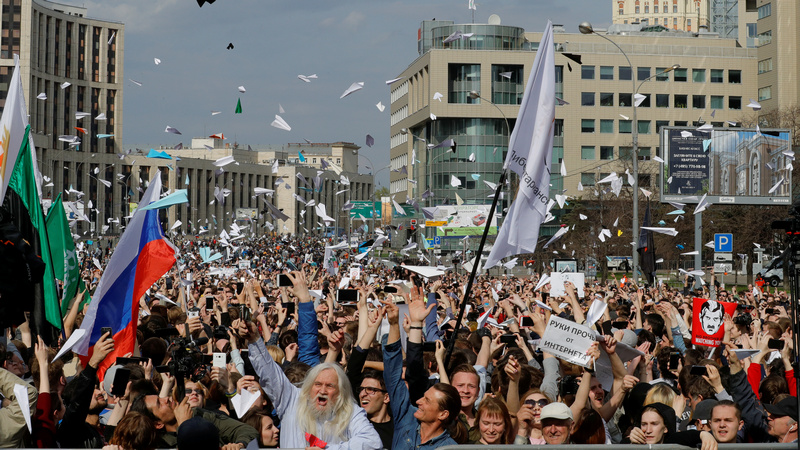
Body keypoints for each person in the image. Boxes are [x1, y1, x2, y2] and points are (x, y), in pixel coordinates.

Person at [241, 270, 381, 449]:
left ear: (340, 391)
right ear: (308, 385)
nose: (322, 390)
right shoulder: (292, 400)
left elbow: (372, 443)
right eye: (317, 384)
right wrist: (254, 340)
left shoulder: (348, 412)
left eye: (330, 386)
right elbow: (269, 372)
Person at [382, 294, 463, 448]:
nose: (418, 401)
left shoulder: (448, 447)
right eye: (424, 397)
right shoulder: (406, 417)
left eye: (427, 400)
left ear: (443, 414)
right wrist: (395, 324)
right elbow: (392, 374)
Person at [129, 393, 258, 448]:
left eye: (161, 397)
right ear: (158, 424)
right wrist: (185, 425)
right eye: (159, 403)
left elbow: (247, 430)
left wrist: (240, 444)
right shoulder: (160, 445)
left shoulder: (198, 414)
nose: (166, 399)